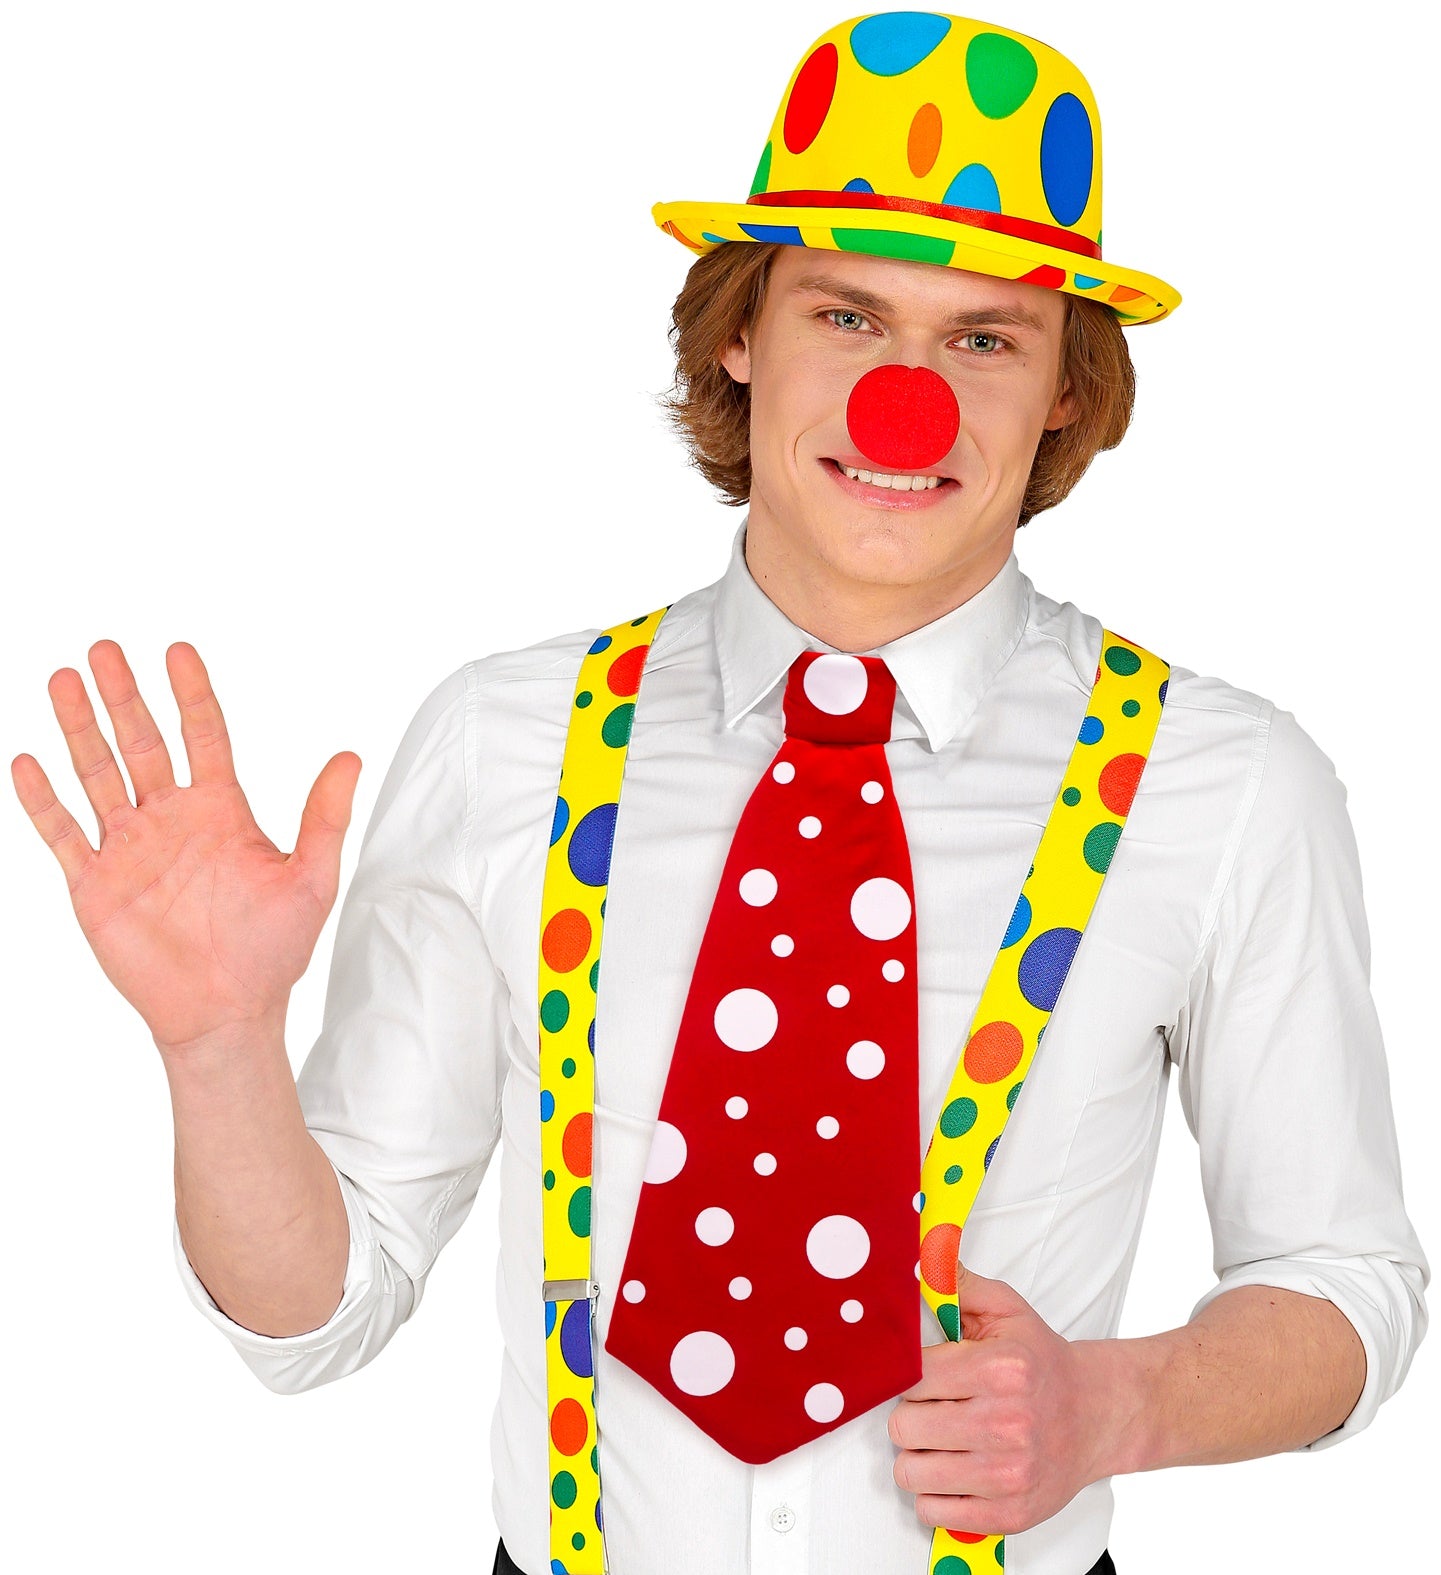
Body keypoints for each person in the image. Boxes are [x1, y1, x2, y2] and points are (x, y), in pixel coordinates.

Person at [11, 11, 1428, 1575]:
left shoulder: (1225, 786)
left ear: (1065, 395)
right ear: (740, 333)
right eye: (846, 315)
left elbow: (1347, 1282)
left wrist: (1118, 1406)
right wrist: (218, 1047)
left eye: (983, 339)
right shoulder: (504, 742)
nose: (905, 402)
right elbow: (315, 1317)